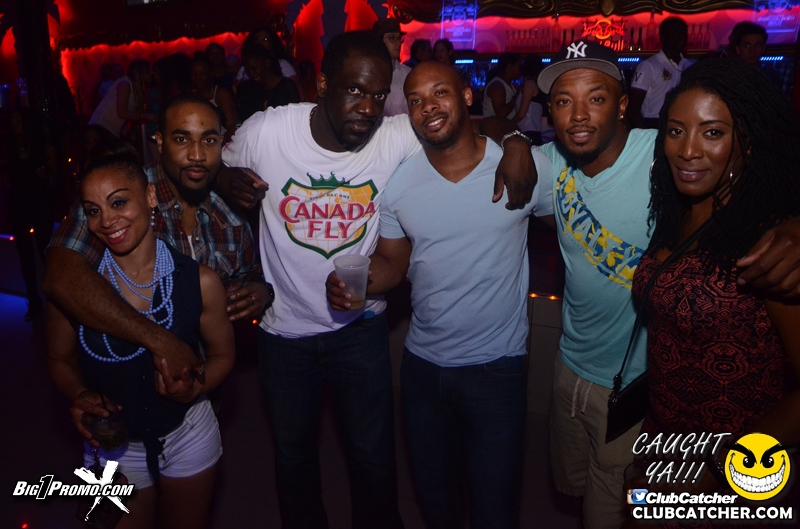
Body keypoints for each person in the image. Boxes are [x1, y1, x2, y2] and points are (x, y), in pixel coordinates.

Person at [219, 30, 535, 529]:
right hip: (285, 332)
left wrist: (516, 140)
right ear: (324, 85)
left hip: (361, 329)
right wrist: (224, 180)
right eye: (354, 90)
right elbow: (212, 167)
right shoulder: (269, 131)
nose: (367, 108)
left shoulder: (394, 135)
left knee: (373, 460)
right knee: (294, 461)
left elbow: (469, 121)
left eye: (378, 94)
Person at [499, 40, 800, 529]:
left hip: (674, 415)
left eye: (596, 98)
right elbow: (480, 141)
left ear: (623, 105)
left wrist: (795, 224)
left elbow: (772, 175)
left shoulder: (673, 167)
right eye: (564, 101)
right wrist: (515, 137)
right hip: (601, 386)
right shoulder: (567, 166)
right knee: (580, 492)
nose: (689, 148)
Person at [326, 60, 551, 529]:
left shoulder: (520, 165)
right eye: (416, 100)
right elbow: (394, 263)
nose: (428, 106)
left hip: (497, 370)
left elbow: (571, 230)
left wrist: (517, 139)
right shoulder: (399, 186)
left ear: (466, 97)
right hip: (423, 371)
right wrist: (356, 280)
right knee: (436, 505)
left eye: (440, 93)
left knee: (495, 509)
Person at [633, 58, 800, 495]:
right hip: (661, 444)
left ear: (748, 139)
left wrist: (720, 470)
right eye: (675, 131)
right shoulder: (678, 210)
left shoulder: (769, 240)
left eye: (712, 133)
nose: (687, 150)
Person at [46, 153, 235, 529]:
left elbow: (223, 355)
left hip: (188, 432)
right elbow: (59, 360)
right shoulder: (76, 291)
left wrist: (196, 388)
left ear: (150, 197)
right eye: (93, 210)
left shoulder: (199, 281)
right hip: (113, 445)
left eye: (118, 202)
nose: (106, 221)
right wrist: (80, 394)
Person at [44, 93, 269, 383]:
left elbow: (250, 277)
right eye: (182, 139)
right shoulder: (120, 198)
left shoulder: (231, 217)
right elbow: (60, 276)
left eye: (209, 140)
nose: (197, 155)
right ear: (160, 142)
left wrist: (262, 291)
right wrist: (160, 341)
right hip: (121, 387)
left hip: (202, 383)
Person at [628, 18, 693, 129]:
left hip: (681, 124)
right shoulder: (649, 66)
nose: (681, 36)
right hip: (653, 124)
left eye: (683, 32)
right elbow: (633, 108)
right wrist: (646, 135)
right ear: (662, 37)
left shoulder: (689, 66)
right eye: (676, 32)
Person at [90, 59, 157, 137]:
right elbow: (122, 113)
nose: (151, 72)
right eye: (148, 70)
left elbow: (136, 112)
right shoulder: (125, 84)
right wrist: (146, 116)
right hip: (101, 126)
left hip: (110, 128)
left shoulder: (136, 86)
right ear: (140, 72)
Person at [237, 44, 301, 122]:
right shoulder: (250, 90)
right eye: (248, 71)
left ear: (267, 63)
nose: (251, 74)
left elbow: (296, 116)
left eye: (254, 69)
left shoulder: (286, 86)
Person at [191, 52, 238, 143]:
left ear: (210, 74)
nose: (198, 78)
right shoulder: (190, 97)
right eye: (194, 74)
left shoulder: (221, 94)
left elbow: (233, 126)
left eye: (203, 73)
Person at [373, 18, 412, 117]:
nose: (398, 43)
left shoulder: (408, 74)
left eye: (399, 38)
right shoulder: (369, 74)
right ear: (379, 41)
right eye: (392, 38)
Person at [511, 56, 545, 145]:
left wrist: (509, 124)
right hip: (533, 132)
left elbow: (521, 114)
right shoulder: (535, 84)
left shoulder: (529, 84)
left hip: (527, 132)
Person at [483, 53, 522, 118]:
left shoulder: (510, 85)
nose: (521, 70)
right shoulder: (497, 86)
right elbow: (501, 114)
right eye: (519, 66)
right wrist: (517, 95)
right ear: (510, 66)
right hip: (495, 124)